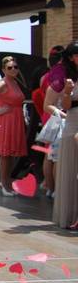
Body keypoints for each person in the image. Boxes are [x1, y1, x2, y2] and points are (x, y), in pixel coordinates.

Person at [0, 56, 28, 197]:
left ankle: (6, 183)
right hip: (6, 120)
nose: (13, 69)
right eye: (10, 67)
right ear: (3, 70)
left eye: (15, 67)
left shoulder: (14, 82)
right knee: (5, 153)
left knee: (10, 154)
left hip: (15, 118)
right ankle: (4, 184)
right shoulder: (3, 83)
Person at [47, 41, 78, 229]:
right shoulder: (66, 78)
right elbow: (63, 105)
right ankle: (71, 215)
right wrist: (66, 92)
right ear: (72, 57)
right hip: (73, 122)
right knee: (72, 171)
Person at [35, 46, 64, 199]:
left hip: (48, 115)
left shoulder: (45, 77)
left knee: (49, 154)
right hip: (60, 115)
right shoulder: (62, 75)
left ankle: (49, 186)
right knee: (57, 156)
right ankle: (55, 188)